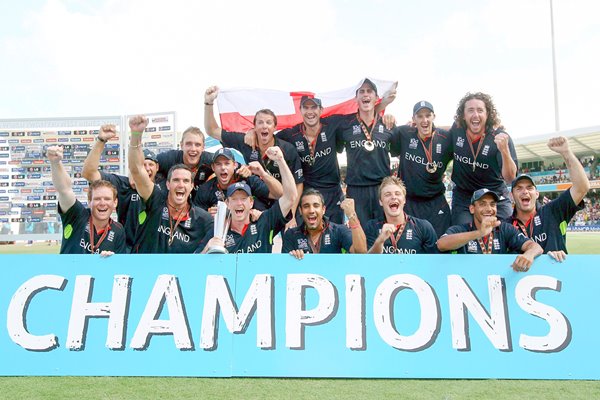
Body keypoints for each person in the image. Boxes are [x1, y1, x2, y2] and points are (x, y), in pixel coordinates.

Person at [204, 86, 304, 215]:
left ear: (274, 127)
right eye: (260, 123)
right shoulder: (245, 141)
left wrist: (292, 214)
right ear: (254, 126)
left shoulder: (287, 149)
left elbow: (298, 184)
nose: (264, 126)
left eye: (268, 123)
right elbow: (212, 130)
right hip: (256, 202)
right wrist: (209, 103)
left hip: (283, 201)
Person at [128, 115, 213, 253]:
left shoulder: (203, 219)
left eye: (186, 181)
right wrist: (136, 134)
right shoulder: (155, 201)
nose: (180, 185)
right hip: (147, 272)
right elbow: (137, 169)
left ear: (192, 186)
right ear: (167, 184)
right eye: (176, 180)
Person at [201, 146, 296, 254]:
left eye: (243, 199)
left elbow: (290, 197)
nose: (239, 203)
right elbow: (194, 263)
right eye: (234, 199)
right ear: (227, 203)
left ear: (251, 202)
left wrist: (280, 160)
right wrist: (207, 248)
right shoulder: (217, 232)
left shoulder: (264, 222)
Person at [508, 136, 590, 261]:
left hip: (554, 277)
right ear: (512, 195)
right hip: (520, 279)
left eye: (529, 188)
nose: (525, 191)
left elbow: (582, 187)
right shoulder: (506, 225)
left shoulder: (553, 211)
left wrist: (566, 152)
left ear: (537, 193)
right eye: (519, 188)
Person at [82, 124, 160, 252]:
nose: (146, 168)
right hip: (125, 248)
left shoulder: (162, 189)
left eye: (150, 164)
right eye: (142, 164)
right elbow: (88, 173)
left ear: (157, 168)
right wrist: (101, 140)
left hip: (152, 251)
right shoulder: (120, 184)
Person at [334, 79, 397, 226]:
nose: (365, 94)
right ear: (356, 98)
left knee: (385, 233)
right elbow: (337, 148)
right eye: (361, 91)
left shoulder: (388, 124)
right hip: (356, 190)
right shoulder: (344, 124)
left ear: (376, 98)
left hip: (382, 188)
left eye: (369, 91)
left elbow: (398, 151)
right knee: (359, 235)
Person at [449, 92, 518, 225]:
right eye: (470, 110)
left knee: (507, 231)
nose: (475, 115)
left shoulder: (500, 138)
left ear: (487, 115)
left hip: (494, 195)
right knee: (463, 234)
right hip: (465, 196)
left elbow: (510, 178)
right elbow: (443, 132)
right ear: (463, 116)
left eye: (480, 110)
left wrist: (504, 150)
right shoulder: (457, 130)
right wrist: (426, 127)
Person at [437, 188, 543, 272]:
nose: (488, 209)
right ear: (472, 209)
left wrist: (529, 254)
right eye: (482, 204)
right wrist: (479, 233)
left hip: (497, 286)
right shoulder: (461, 229)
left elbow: (536, 247)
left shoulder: (505, 229)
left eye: (492, 204)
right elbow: (441, 244)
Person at [47, 145, 126, 255]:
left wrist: (110, 260)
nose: (102, 203)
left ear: (115, 203)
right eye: (97, 199)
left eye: (107, 199)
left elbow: (119, 266)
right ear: (89, 202)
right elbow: (64, 190)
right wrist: (56, 163)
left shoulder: (118, 230)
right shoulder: (77, 215)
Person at [390, 101, 453, 237]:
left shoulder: (445, 138)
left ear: (433, 117)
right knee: (412, 247)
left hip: (436, 203)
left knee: (439, 246)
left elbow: (460, 131)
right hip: (410, 202)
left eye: (428, 115)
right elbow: (386, 131)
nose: (424, 120)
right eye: (419, 116)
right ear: (413, 119)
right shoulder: (404, 133)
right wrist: (387, 117)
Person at [282, 188, 367, 259]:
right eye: (306, 206)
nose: (311, 210)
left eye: (316, 206)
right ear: (300, 211)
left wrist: (352, 215)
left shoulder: (338, 231)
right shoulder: (291, 235)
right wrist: (292, 258)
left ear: (323, 210)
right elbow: (284, 267)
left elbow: (361, 252)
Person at [193, 147, 282, 213]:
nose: (223, 168)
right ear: (213, 167)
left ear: (235, 165)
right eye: (218, 164)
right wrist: (207, 215)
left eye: (227, 163)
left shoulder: (248, 180)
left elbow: (279, 194)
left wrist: (263, 174)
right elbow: (195, 218)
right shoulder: (205, 189)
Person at [365, 176, 438, 254]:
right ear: (380, 201)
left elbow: (434, 262)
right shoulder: (372, 226)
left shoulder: (423, 227)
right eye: (387, 194)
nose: (393, 197)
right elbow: (369, 262)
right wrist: (380, 241)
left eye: (397, 194)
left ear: (404, 200)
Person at [155, 126, 214, 201]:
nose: (193, 149)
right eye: (188, 144)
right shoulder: (169, 158)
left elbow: (229, 168)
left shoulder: (211, 160)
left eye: (197, 145)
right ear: (181, 145)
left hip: (199, 205)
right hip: (170, 202)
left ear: (203, 147)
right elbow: (146, 162)